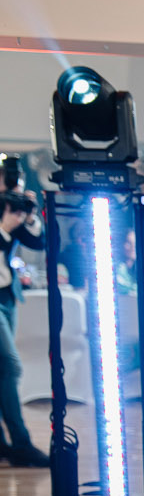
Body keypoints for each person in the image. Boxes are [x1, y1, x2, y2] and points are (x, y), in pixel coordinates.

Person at [0, 160, 50, 467]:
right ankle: (21, 443)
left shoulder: (9, 206)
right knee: (11, 366)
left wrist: (29, 216)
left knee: (2, 370)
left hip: (7, 294)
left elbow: (38, 242)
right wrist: (5, 228)